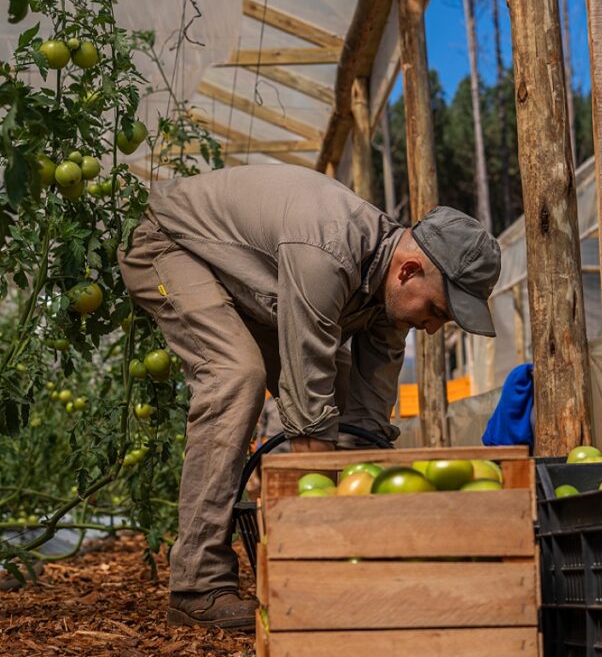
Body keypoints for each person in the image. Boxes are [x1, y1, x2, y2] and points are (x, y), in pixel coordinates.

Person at [118, 164, 501, 631]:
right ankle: (197, 583)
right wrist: (324, 547)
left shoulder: (389, 294)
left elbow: (366, 420)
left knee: (338, 404)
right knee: (235, 375)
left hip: (249, 281)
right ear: (409, 270)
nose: (435, 326)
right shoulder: (327, 252)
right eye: (438, 310)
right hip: (170, 244)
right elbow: (307, 417)